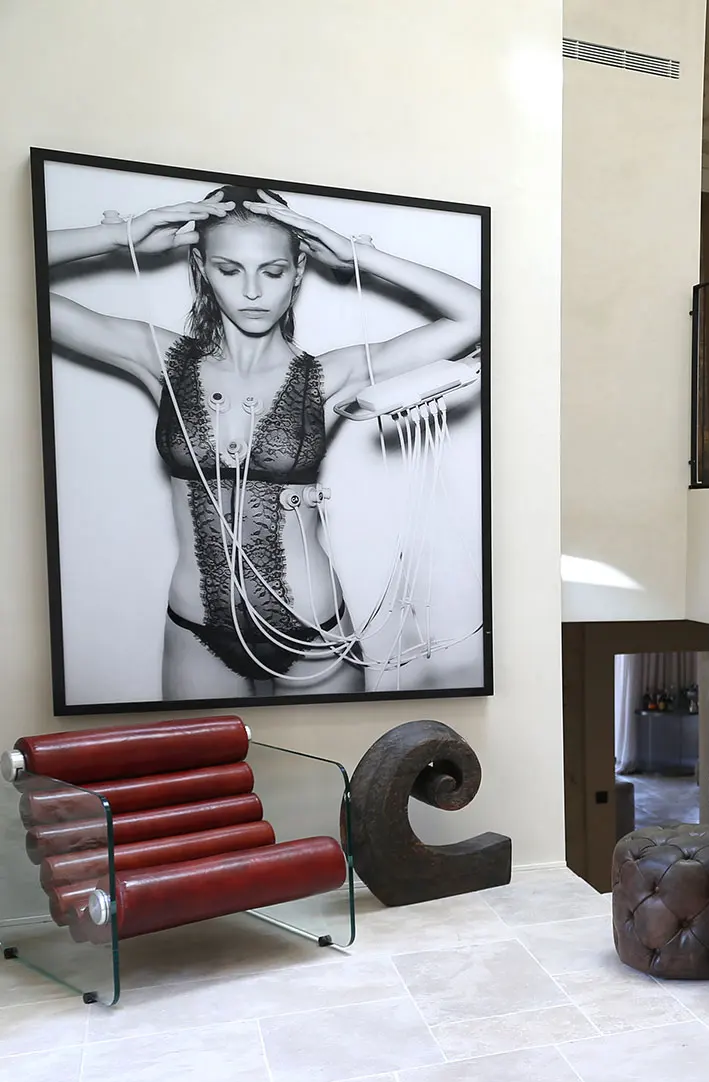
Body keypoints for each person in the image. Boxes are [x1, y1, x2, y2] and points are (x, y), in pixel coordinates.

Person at [45, 186, 481, 700]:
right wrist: (119, 236)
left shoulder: (329, 375)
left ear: (298, 271)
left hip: (315, 630)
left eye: (272, 271)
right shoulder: (160, 359)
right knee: (206, 759)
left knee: (341, 757)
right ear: (201, 268)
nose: (252, 291)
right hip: (196, 629)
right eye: (230, 270)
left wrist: (356, 255)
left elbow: (475, 316)